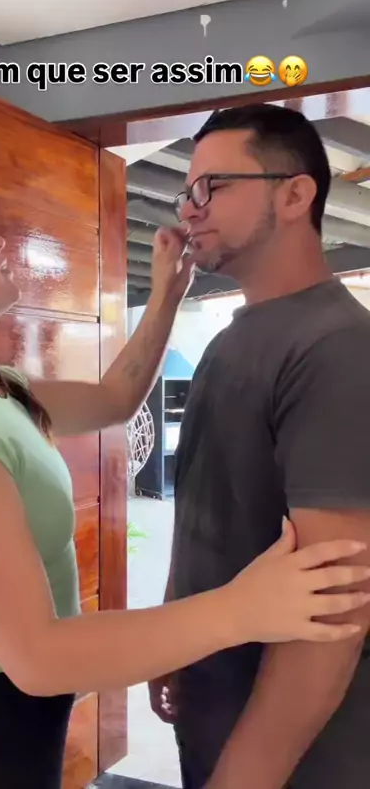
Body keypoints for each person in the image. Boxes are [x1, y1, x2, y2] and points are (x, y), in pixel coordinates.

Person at [0, 180, 367, 789]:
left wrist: (167, 293)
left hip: (14, 724)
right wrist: (242, 609)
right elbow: (39, 657)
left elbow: (115, 398)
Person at [148, 103, 370, 789]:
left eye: (213, 186)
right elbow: (204, 508)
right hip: (212, 704)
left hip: (296, 754)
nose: (190, 208)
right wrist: (173, 631)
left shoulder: (337, 347)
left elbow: (337, 601)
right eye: (187, 191)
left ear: (295, 195)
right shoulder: (229, 339)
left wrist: (245, 776)